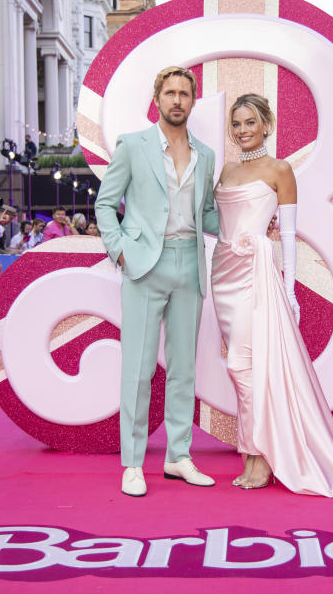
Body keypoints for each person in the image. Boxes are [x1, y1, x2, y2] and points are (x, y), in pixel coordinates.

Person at [210, 92, 333, 497]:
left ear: (266, 124)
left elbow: (290, 236)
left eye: (250, 122)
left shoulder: (280, 170)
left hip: (256, 273)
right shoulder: (224, 171)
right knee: (237, 366)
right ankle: (254, 452)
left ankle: (258, 456)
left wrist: (291, 291)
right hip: (222, 273)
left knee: (248, 366)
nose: (243, 130)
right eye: (237, 123)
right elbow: (221, 223)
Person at [94, 66, 219, 497]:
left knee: (184, 368)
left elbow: (209, 214)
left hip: (190, 263)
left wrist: (254, 214)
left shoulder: (207, 154)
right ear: (157, 97)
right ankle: (132, 462)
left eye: (185, 93)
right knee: (139, 368)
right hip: (145, 264)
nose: (178, 100)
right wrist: (120, 250)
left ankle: (178, 456)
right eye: (170, 92)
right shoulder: (133, 146)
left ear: (193, 100)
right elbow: (105, 204)